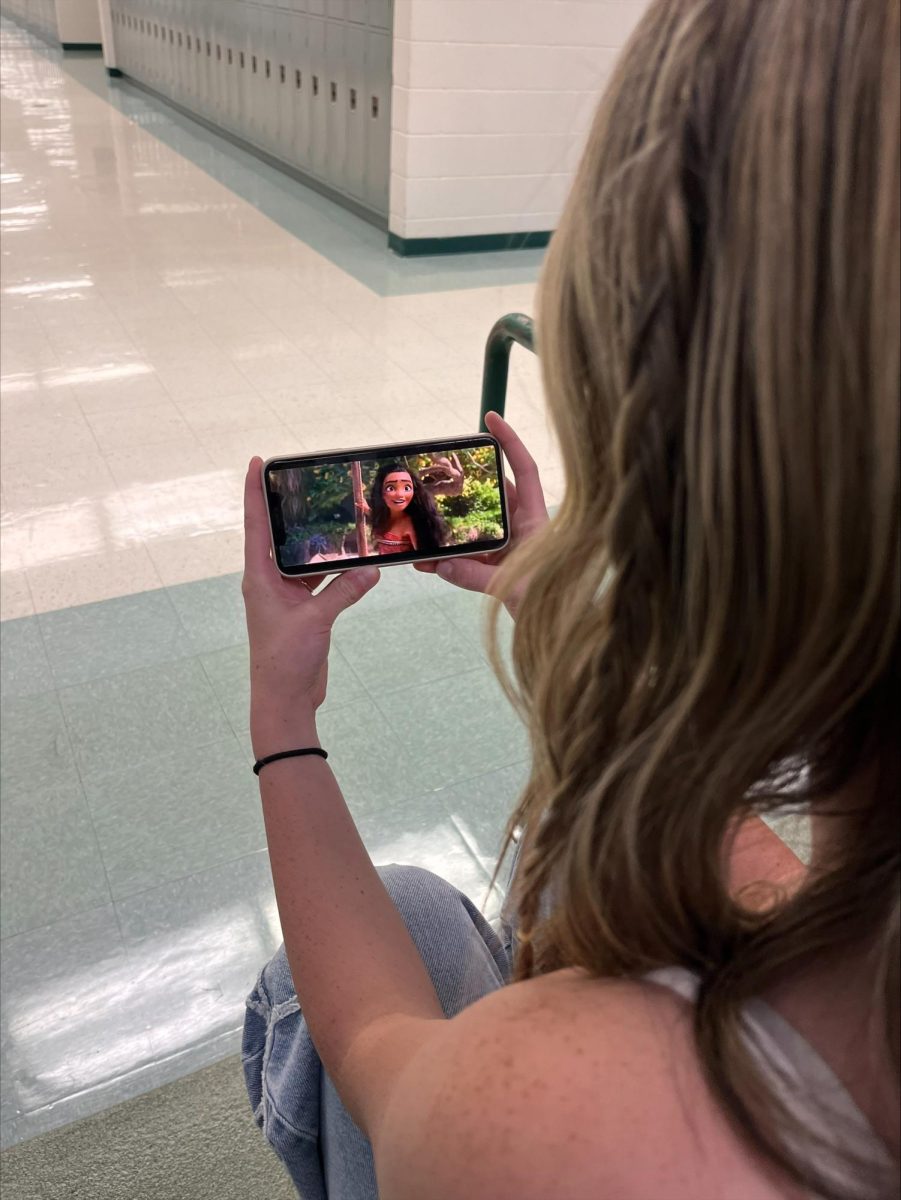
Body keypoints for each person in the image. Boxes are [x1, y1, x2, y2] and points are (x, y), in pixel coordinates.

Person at [239, 1, 899, 1197]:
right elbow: (736, 866)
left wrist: (281, 713)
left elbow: (382, 1048)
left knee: (341, 963)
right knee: (477, 891)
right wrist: (554, 610)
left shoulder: (558, 1132)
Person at [366, 461, 447, 556]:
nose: (400, 495)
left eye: (407, 488)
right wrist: (365, 508)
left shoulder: (411, 523)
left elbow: (426, 559)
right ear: (380, 493)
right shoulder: (383, 517)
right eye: (391, 488)